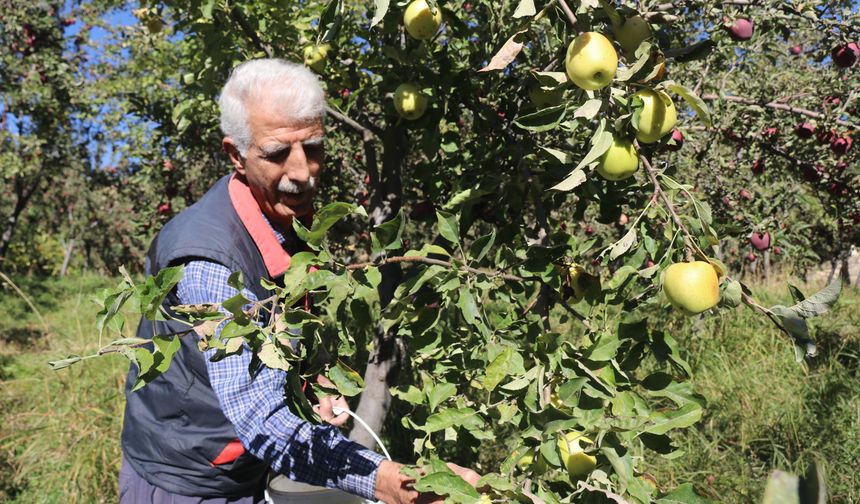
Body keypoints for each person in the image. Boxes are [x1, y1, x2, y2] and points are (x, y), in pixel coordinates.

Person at [119, 58, 479, 504]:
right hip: (189, 480)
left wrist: (313, 382)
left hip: (248, 467)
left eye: (313, 148)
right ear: (235, 155)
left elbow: (284, 330)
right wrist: (385, 481)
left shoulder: (285, 221)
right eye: (277, 154)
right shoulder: (209, 263)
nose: (303, 171)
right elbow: (260, 418)